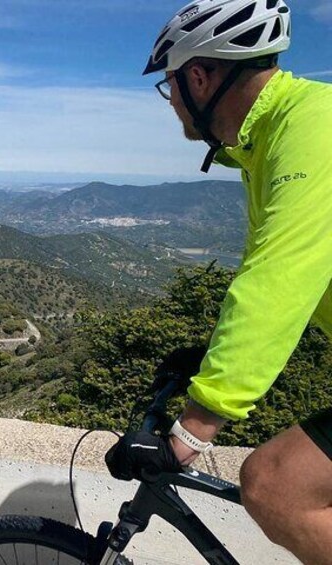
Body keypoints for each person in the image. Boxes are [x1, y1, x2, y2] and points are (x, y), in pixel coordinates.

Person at [105, 0, 332, 562]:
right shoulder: (271, 139)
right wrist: (211, 356)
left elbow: (278, 280)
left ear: (199, 77)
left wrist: (196, 425)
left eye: (171, 86)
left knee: (276, 485)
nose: (173, 102)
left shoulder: (313, 130)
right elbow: (285, 283)